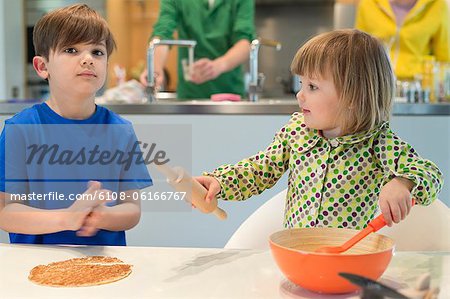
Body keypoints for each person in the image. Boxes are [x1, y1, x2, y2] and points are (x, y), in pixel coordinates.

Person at [196, 29, 442, 229]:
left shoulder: (378, 142)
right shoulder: (296, 131)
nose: (300, 94)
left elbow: (430, 173)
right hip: (297, 255)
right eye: (301, 83)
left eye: (312, 86)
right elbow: (260, 169)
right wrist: (221, 182)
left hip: (351, 259)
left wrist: (403, 183)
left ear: (352, 96)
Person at [0, 4, 152, 245]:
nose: (88, 59)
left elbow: (132, 209)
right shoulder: (20, 129)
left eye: (97, 52)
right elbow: (6, 213)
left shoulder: (120, 130)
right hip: (34, 266)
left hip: (105, 265)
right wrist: (66, 218)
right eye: (71, 50)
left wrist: (103, 215)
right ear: (42, 66)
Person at [139, 0, 255, 99]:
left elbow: (245, 42)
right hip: (190, 95)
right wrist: (155, 69)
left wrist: (218, 66)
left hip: (229, 95)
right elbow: (163, 31)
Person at [355, 0, 450, 80]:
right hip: (377, 83)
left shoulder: (438, 6)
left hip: (418, 87)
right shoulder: (368, 3)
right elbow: (358, 52)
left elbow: (445, 61)